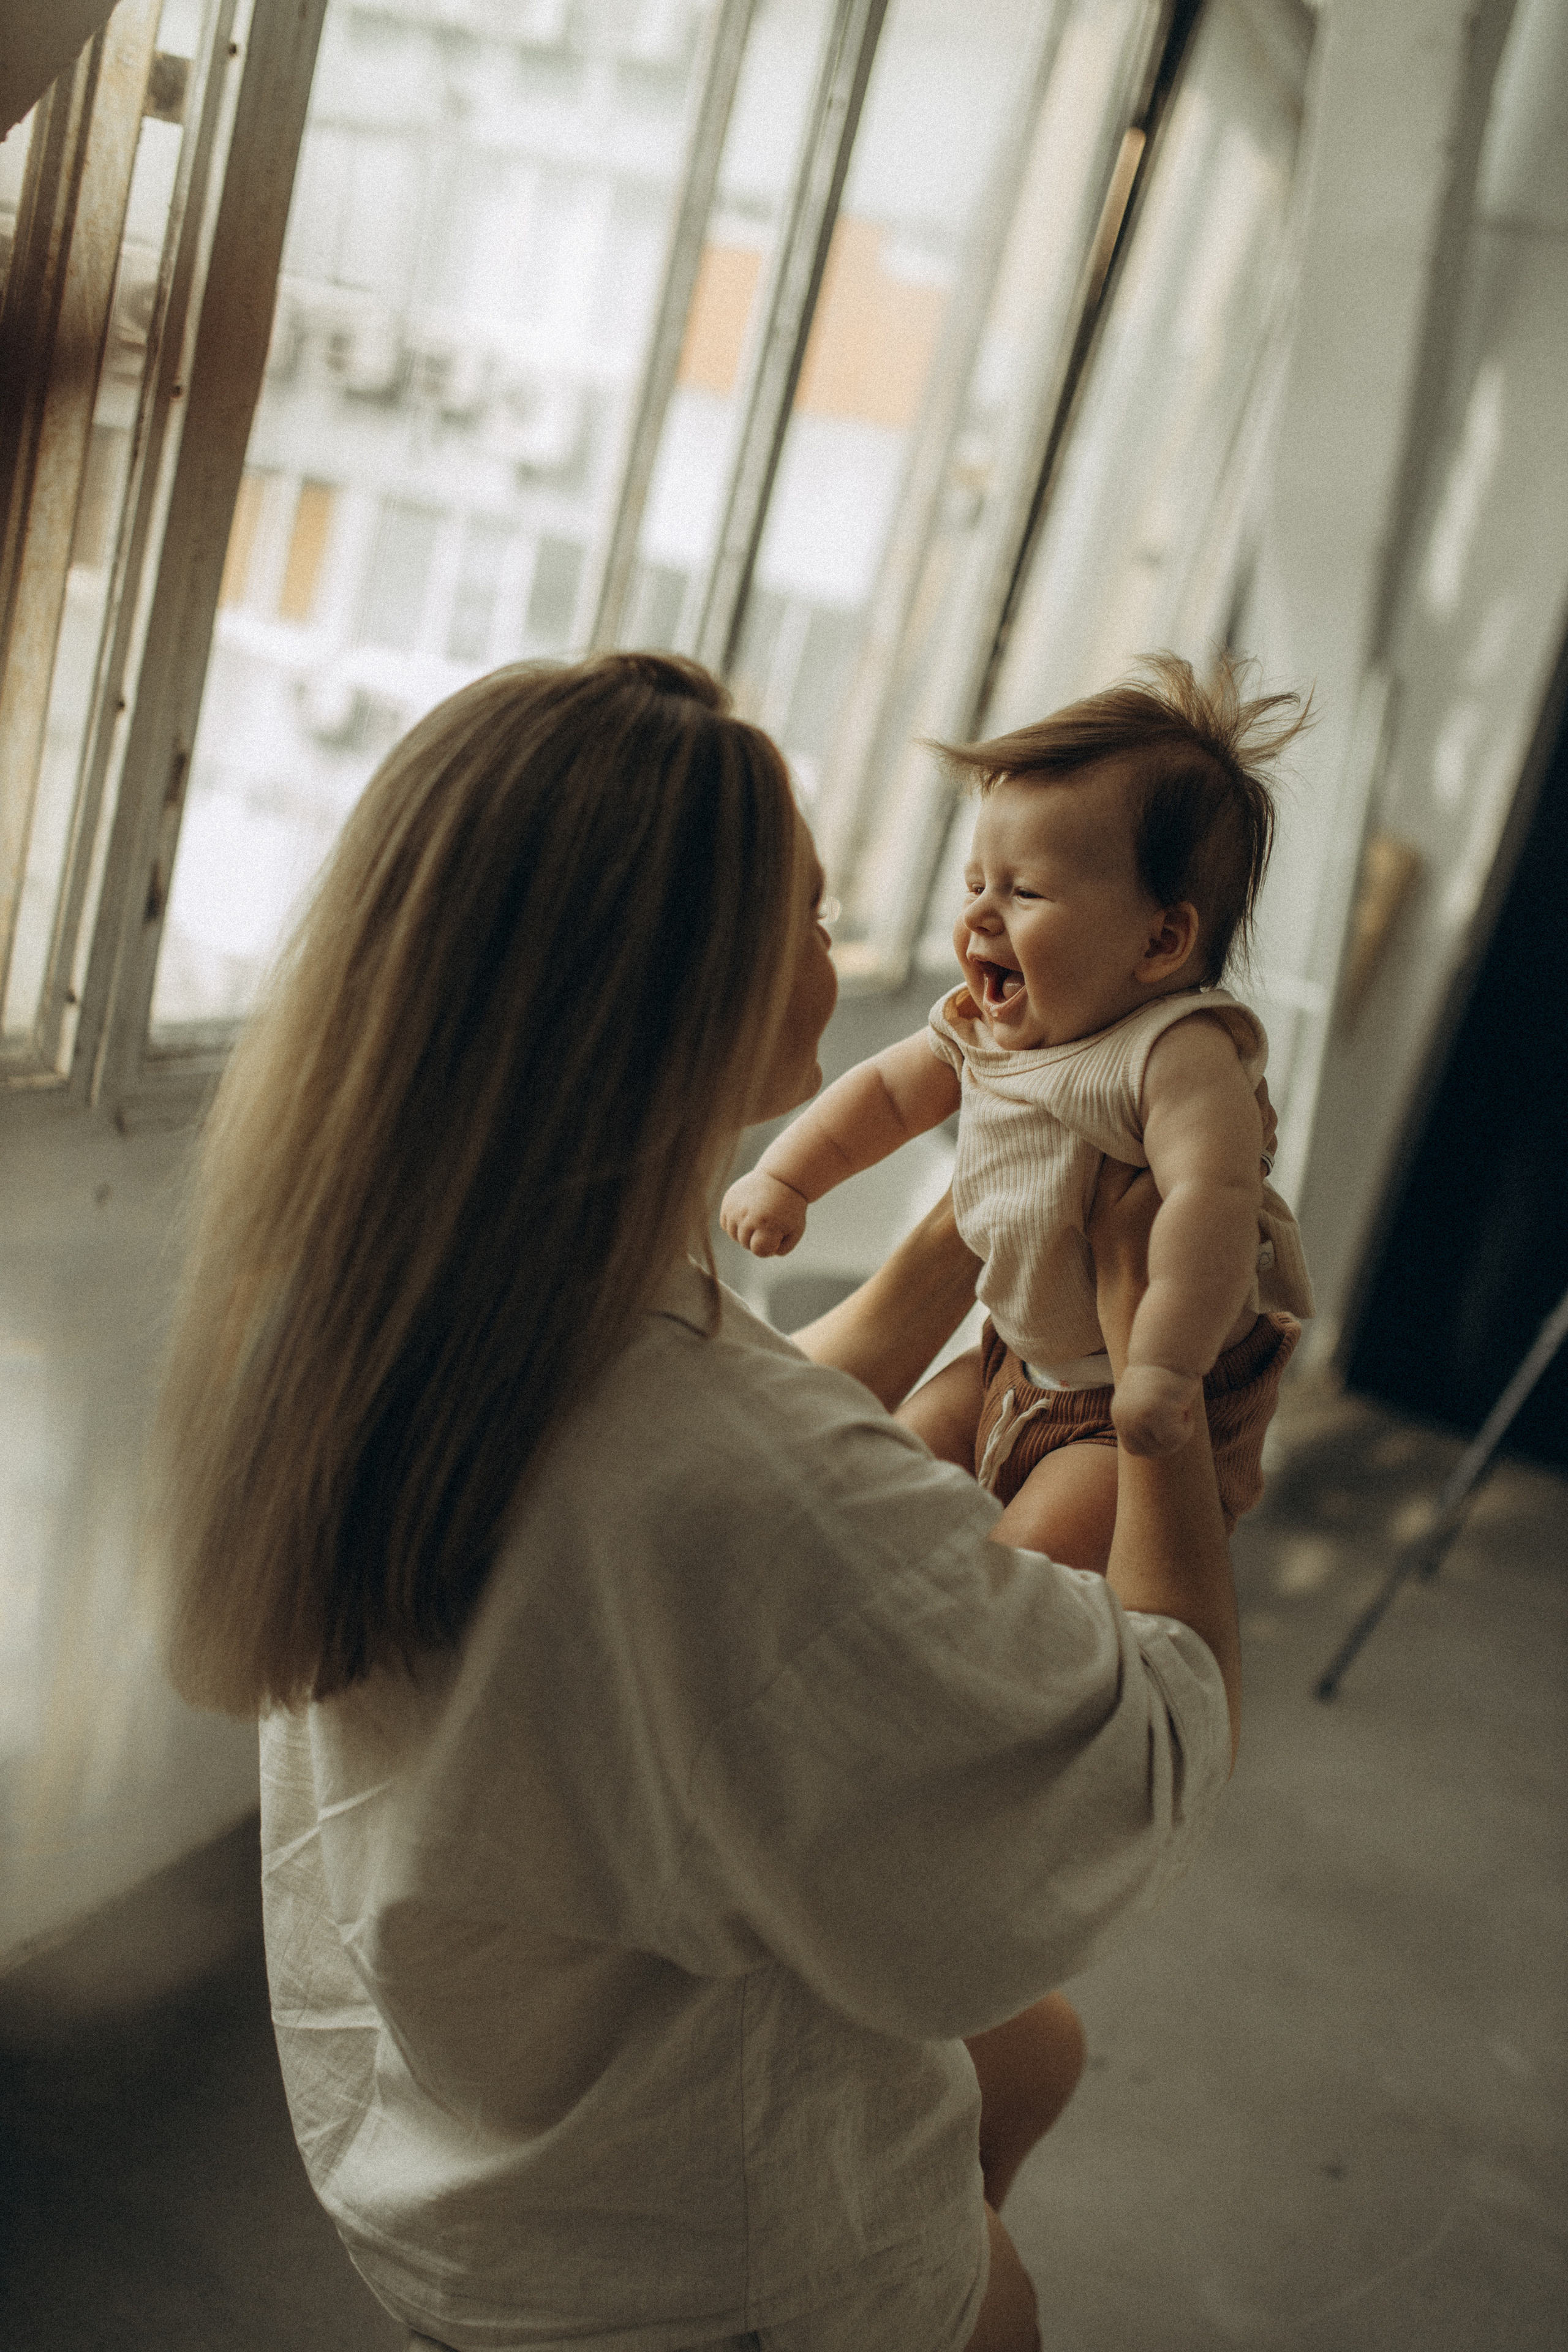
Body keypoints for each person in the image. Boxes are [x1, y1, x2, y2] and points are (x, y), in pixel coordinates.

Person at [150, 652, 1242, 2352]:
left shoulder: (384, 1302)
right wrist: (1168, 1411)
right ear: (683, 989)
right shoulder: (732, 1491)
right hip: (694, 2264)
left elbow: (715, 1458)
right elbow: (1144, 1760)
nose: (887, 948)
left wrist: (953, 1251)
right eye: (813, 918)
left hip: (455, 2145)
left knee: (1034, 2054)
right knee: (1005, 2219)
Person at [722, 654, 1314, 1572]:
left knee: (1025, 1562)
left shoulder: (1177, 1053)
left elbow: (1212, 1200)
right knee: (886, 1479)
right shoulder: (990, 1029)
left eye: (1024, 892)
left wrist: (1163, 1368)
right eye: (974, 885)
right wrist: (787, 1177)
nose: (981, 919)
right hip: (1012, 1360)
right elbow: (885, 1093)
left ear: (1161, 941)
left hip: (1130, 1410)